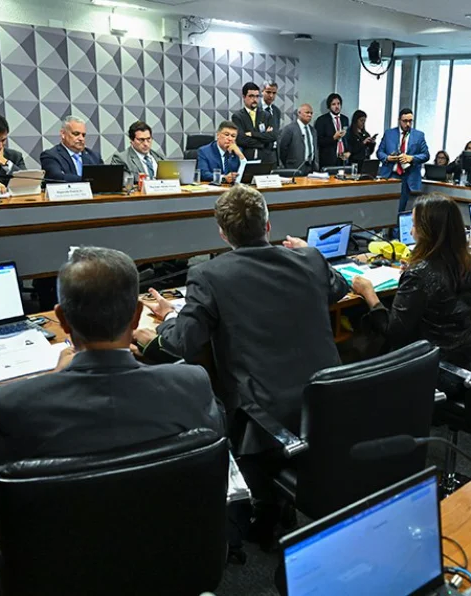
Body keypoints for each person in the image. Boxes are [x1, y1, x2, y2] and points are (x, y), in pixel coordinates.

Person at [134, 185, 348, 543]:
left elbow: (181, 344)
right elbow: (338, 288)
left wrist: (169, 317)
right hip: (329, 399)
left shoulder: (210, 275)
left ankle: (264, 504)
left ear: (223, 233)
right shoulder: (309, 258)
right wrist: (306, 254)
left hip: (264, 413)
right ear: (268, 225)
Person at [0, 246, 223, 471]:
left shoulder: (16, 401)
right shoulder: (190, 383)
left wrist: (54, 378)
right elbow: (217, 440)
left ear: (62, 319)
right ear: (136, 316)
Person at [350, 193, 471, 369]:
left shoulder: (419, 274)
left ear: (429, 232)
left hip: (428, 365)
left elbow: (394, 334)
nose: (411, 231)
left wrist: (369, 293)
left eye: (414, 225)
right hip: (464, 358)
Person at [377, 108, 429, 213]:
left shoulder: (419, 135)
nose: (408, 124)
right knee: (386, 209)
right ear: (399, 120)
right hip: (391, 175)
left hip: (408, 176)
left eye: (410, 121)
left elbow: (426, 155)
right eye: (405, 121)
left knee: (402, 210)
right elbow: (379, 152)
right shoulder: (389, 134)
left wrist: (411, 158)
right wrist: (387, 158)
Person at [39, 116, 103, 183]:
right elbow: (57, 177)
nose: (81, 138)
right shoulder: (50, 155)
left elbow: (104, 177)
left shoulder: (94, 156)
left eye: (83, 135)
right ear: (63, 134)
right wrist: (88, 180)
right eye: (76, 134)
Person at [232, 82, 277, 163]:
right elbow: (241, 140)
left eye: (257, 96)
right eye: (251, 96)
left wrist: (252, 134)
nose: (254, 99)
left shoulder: (266, 115)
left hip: (266, 159)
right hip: (247, 159)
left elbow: (273, 136)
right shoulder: (237, 116)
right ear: (244, 97)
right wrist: (263, 142)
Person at [277, 104, 318, 174]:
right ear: (299, 113)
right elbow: (282, 149)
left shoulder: (313, 130)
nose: (310, 115)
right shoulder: (289, 129)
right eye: (307, 112)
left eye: (311, 113)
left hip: (311, 168)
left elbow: (315, 148)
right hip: (294, 168)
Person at [314, 93, 350, 169]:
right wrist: (333, 138)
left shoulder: (345, 119)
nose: (337, 106)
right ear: (329, 106)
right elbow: (318, 141)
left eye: (338, 104)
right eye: (333, 104)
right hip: (328, 160)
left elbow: (348, 139)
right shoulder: (322, 120)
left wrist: (348, 151)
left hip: (343, 160)